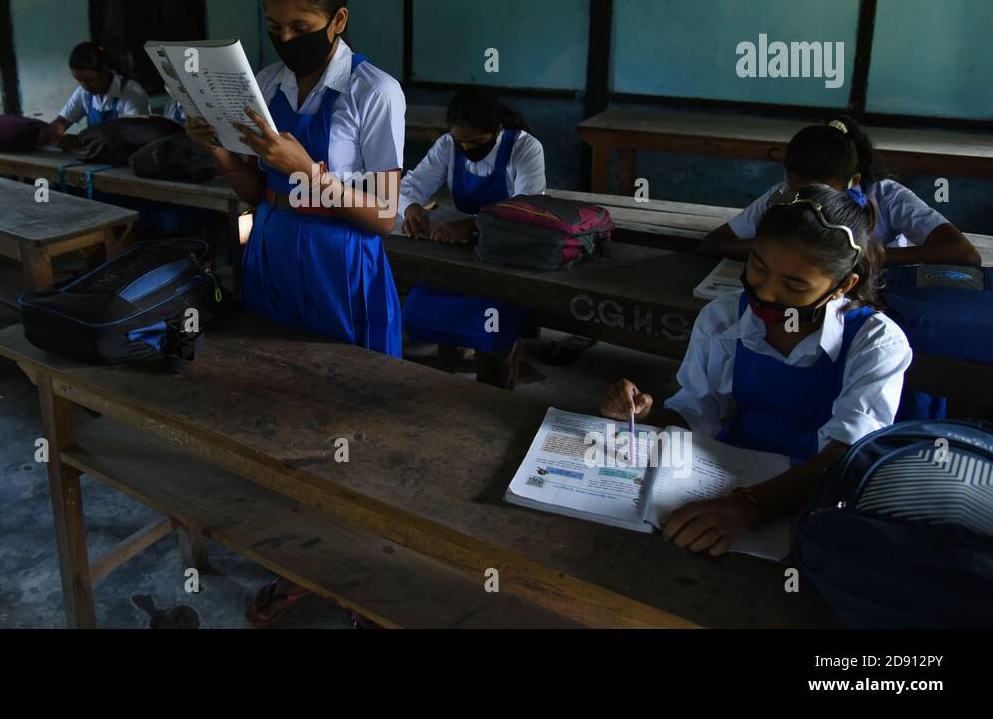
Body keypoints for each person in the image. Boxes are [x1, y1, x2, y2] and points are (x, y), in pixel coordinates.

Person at [186, 0, 405, 627]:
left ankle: (352, 563)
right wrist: (221, 150)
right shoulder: (271, 85)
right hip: (277, 256)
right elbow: (258, 188)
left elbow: (385, 214)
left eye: (300, 27)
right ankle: (296, 553)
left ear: (336, 20)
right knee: (283, 406)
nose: (284, 40)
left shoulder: (375, 92)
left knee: (348, 418)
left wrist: (308, 168)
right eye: (274, 27)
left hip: (341, 270)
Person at [600, 184, 913, 555]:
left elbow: (846, 457)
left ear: (842, 285)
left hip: (815, 493)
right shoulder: (723, 318)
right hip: (724, 473)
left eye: (794, 285)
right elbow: (697, 411)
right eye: (758, 267)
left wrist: (748, 506)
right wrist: (644, 414)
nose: (765, 293)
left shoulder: (875, 342)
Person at [398, 87, 546, 387]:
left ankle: (495, 384)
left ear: (497, 129)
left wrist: (473, 224)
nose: (466, 148)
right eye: (460, 141)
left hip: (505, 252)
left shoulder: (524, 148)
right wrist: (411, 206)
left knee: (494, 335)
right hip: (459, 249)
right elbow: (409, 186)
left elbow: (529, 209)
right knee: (425, 309)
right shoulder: (448, 145)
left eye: (476, 142)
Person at [700, 116, 980, 266]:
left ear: (853, 180)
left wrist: (873, 257)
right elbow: (714, 243)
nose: (808, 199)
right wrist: (783, 249)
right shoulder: (783, 194)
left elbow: (964, 254)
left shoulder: (886, 196)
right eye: (799, 188)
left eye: (821, 191)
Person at [37, 42, 151, 146]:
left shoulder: (131, 93)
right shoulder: (84, 92)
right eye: (79, 80)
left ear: (104, 70)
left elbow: (134, 137)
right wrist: (48, 133)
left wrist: (81, 140)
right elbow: (62, 121)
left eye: (89, 80)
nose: (84, 86)